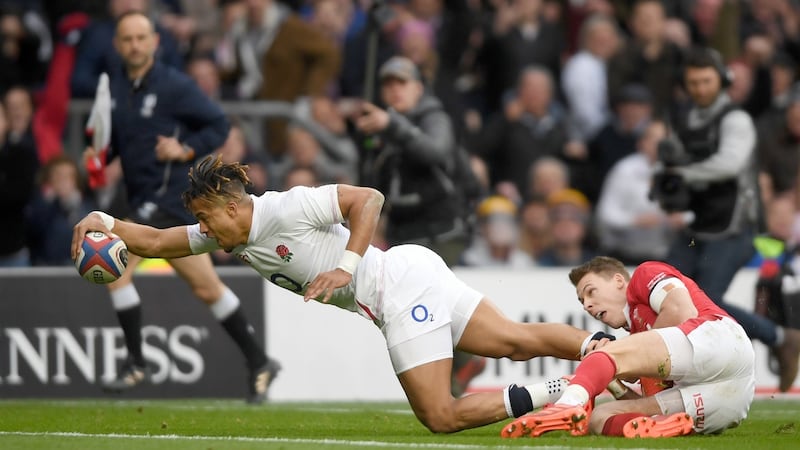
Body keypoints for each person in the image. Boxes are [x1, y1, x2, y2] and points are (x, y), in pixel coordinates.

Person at [70, 154, 617, 433]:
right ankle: (619, 358)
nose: (204, 230)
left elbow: (369, 198)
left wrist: (346, 266)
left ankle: (562, 393)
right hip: (409, 271)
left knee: (440, 416)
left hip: (397, 288)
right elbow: (159, 239)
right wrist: (101, 219)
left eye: (207, 218)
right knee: (517, 342)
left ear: (234, 206)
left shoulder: (285, 207)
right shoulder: (230, 233)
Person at [85, 11, 279, 403]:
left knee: (115, 264)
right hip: (141, 201)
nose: (135, 45)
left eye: (142, 37)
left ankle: (137, 363)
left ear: (155, 42)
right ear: (118, 45)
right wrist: (100, 159)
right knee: (208, 289)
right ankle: (260, 361)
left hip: (170, 202)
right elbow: (122, 142)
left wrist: (186, 149)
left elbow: (218, 125)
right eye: (128, 39)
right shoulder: (120, 87)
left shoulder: (174, 85)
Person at [652, 47, 800, 392]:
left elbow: (728, 164)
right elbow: (675, 169)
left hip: (735, 227)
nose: (700, 88)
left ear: (722, 80)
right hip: (700, 225)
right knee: (660, 288)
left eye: (706, 81)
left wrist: (680, 173)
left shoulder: (736, 120)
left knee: (708, 300)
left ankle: (781, 337)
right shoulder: (685, 120)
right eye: (694, 83)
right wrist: (669, 187)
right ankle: (665, 369)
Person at [502, 256, 755, 439]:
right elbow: (651, 399)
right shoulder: (641, 338)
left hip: (722, 341)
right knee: (600, 419)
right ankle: (662, 428)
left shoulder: (644, 276)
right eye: (582, 302)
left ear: (619, 280)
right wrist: (616, 383)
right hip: (725, 402)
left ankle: (567, 405)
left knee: (602, 354)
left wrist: (616, 362)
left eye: (590, 292)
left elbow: (682, 310)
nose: (587, 306)